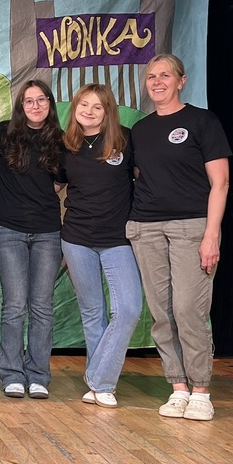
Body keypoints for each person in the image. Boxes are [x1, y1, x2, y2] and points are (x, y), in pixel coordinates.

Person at [126, 53, 231, 421]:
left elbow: (220, 182)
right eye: (151, 76)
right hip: (146, 228)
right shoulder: (140, 130)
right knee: (162, 313)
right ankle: (178, 387)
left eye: (165, 75)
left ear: (181, 81)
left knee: (189, 310)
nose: (157, 82)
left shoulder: (202, 121)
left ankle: (201, 389)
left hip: (191, 228)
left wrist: (211, 234)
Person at [60, 83, 141, 409]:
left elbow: (143, 178)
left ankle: (97, 379)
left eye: (97, 107)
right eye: (84, 105)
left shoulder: (125, 139)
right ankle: (102, 387)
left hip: (117, 241)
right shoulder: (66, 146)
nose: (89, 112)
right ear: (76, 108)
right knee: (92, 313)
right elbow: (53, 185)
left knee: (128, 308)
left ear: (108, 111)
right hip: (77, 239)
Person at [0, 79, 64, 399]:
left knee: (42, 307)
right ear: (20, 106)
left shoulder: (61, 140)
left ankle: (38, 375)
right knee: (15, 306)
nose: (35, 106)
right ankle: (11, 373)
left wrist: (36, 196)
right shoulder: (4, 133)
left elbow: (60, 184)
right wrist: (11, 190)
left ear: (49, 103)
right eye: (28, 101)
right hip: (9, 232)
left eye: (41, 99)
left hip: (48, 232)